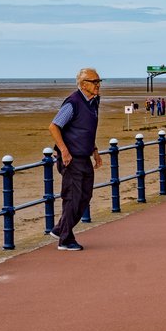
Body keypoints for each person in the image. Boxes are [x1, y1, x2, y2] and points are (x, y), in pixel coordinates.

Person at [48, 68, 104, 251]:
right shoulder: (73, 103)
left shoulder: (94, 102)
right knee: (73, 197)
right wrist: (64, 150)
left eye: (99, 81)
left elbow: (86, 130)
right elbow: (54, 126)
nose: (98, 85)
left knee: (85, 196)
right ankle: (65, 239)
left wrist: (94, 150)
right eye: (94, 82)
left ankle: (60, 228)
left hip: (84, 156)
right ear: (83, 84)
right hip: (71, 159)